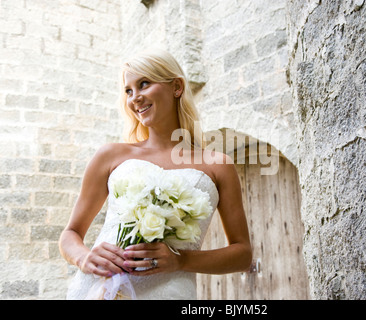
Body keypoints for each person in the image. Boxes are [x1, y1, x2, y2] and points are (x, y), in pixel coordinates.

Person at [59, 48, 252, 299]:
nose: (135, 97)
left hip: (170, 291)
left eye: (144, 84)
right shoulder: (110, 155)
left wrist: (181, 260)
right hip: (99, 288)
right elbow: (70, 233)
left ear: (177, 87)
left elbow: (243, 254)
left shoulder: (218, 166)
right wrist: (84, 257)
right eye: (128, 91)